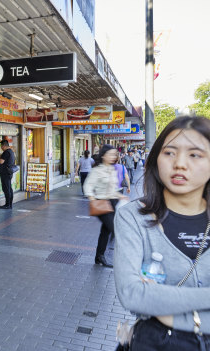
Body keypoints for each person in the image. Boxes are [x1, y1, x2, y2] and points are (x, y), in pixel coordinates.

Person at [115, 116, 210, 349]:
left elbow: (147, 297)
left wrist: (176, 315)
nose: (179, 163)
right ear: (156, 158)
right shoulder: (133, 217)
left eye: (195, 154)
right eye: (169, 153)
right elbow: (133, 295)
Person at [83, 144, 127, 268]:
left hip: (112, 203)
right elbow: (87, 186)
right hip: (101, 204)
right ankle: (125, 259)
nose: (114, 156)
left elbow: (112, 189)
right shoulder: (97, 170)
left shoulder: (112, 170)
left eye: (115, 154)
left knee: (105, 232)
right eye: (111, 154)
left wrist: (120, 196)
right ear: (103, 156)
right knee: (115, 230)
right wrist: (92, 199)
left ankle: (99, 257)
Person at [0, 139, 16, 209]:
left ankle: (7, 205)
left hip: (5, 173)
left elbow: (1, 162)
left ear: (4, 146)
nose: (1, 148)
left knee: (6, 189)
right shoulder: (11, 151)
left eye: (1, 146)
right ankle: (10, 204)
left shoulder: (6, 152)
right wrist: (0, 156)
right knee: (9, 188)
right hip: (9, 172)